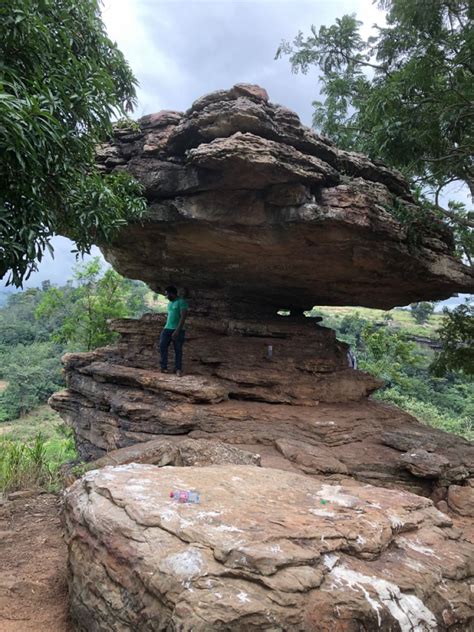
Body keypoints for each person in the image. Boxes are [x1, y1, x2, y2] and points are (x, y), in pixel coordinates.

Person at [160, 286, 188, 377]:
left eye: (167, 294)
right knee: (162, 346)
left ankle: (178, 369)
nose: (166, 296)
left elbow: (183, 317)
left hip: (178, 330)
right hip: (167, 328)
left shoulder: (181, 302)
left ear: (172, 293)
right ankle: (164, 367)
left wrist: (177, 330)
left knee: (178, 349)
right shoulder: (169, 304)